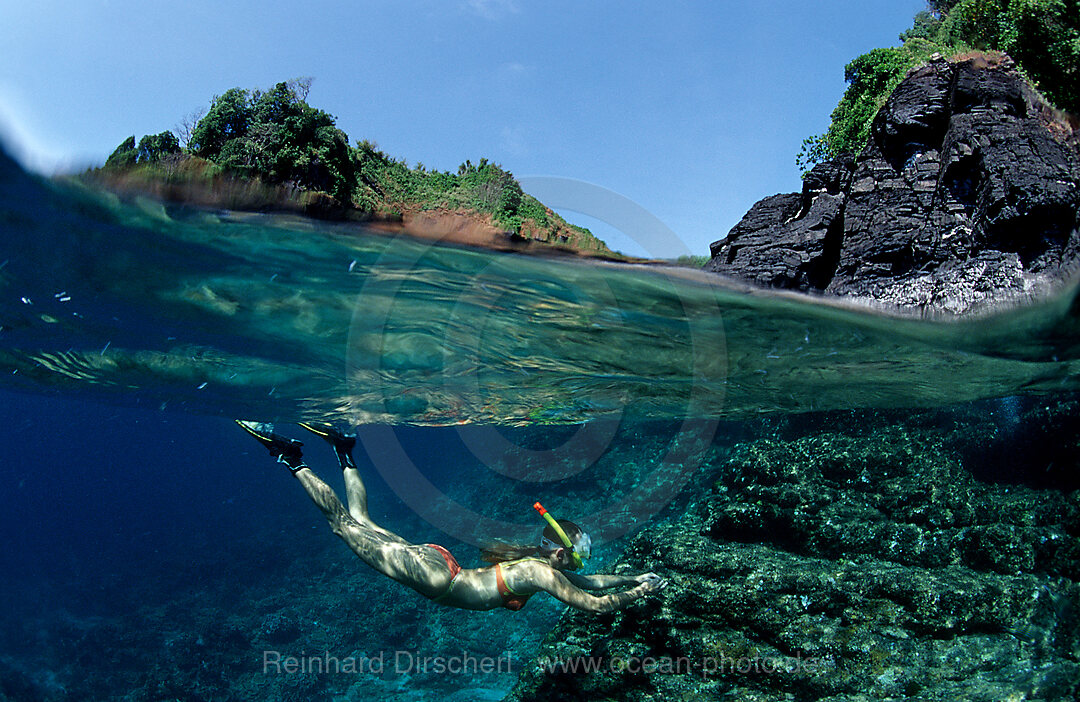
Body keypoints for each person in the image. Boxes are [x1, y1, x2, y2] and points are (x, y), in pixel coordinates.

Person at [236, 421, 667, 612]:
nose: (582, 560)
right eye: (580, 551)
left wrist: (635, 579)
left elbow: (593, 583)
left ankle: (344, 451)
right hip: (439, 578)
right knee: (342, 524)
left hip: (443, 566)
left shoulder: (540, 567)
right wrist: (641, 594)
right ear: (560, 551)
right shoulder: (543, 575)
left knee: (360, 520)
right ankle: (291, 458)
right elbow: (593, 603)